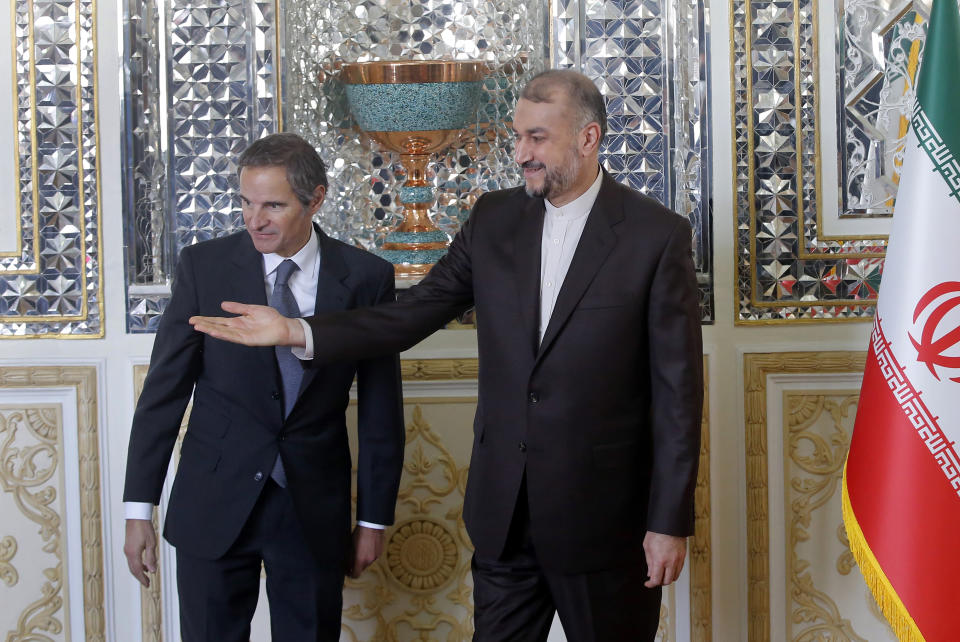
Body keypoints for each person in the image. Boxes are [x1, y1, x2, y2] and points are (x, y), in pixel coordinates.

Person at [190, 70, 703, 641]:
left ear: (588, 138)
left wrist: (667, 523)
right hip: (503, 517)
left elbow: (678, 396)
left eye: (537, 138)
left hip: (607, 522)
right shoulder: (493, 219)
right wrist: (295, 331)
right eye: (516, 137)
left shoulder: (657, 236)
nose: (521, 154)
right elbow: (412, 313)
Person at [122, 132, 405, 642]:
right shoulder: (204, 267)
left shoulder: (366, 278)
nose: (256, 220)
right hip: (212, 501)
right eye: (247, 203)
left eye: (273, 205)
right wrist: (138, 509)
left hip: (310, 508)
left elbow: (381, 410)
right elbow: (163, 395)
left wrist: (373, 520)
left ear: (315, 199)